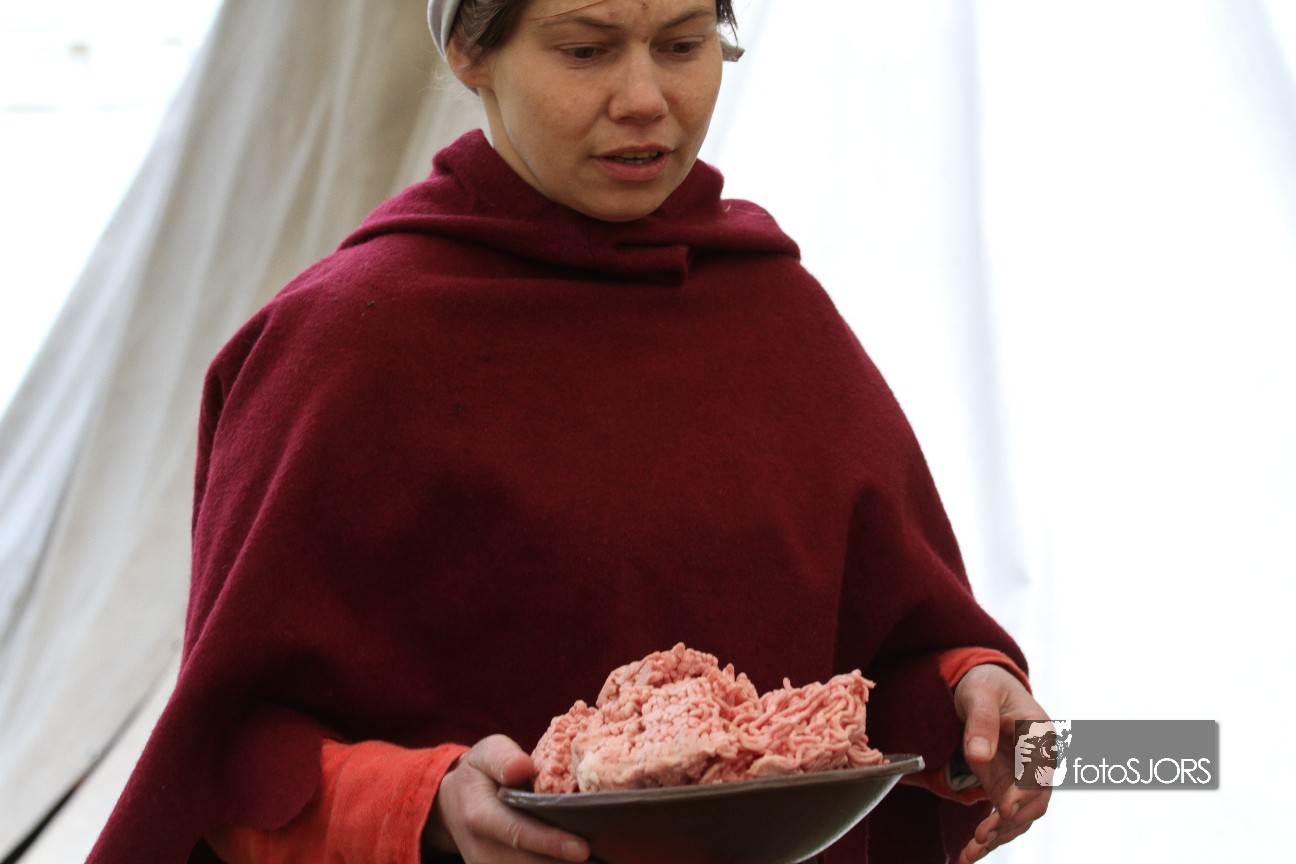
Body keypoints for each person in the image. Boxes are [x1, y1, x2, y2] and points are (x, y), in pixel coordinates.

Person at [90, 1, 1051, 862]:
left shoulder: (780, 319)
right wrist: (427, 805)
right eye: (587, 50)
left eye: (683, 44)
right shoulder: (343, 348)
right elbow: (230, 758)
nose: (645, 99)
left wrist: (979, 697)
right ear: (472, 52)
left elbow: (874, 678)